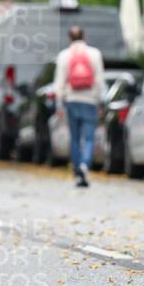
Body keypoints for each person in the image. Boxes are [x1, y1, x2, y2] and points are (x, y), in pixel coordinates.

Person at [53, 25, 105, 187]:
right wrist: (100, 101)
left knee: (75, 138)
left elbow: (59, 83)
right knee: (89, 137)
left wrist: (59, 105)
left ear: (69, 38)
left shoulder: (64, 56)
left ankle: (77, 171)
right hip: (90, 101)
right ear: (84, 37)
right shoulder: (95, 54)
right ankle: (85, 164)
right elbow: (99, 80)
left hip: (72, 100)